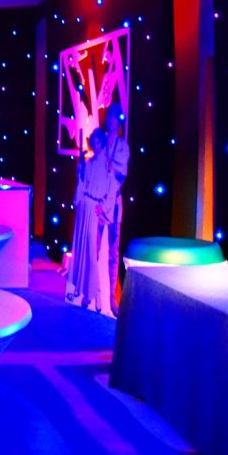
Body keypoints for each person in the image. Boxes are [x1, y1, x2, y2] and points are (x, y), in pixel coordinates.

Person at [65, 128, 115, 315]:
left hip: (94, 209)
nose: (95, 144)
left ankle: (93, 294)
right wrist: (80, 171)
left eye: (98, 141)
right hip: (84, 207)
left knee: (91, 252)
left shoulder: (107, 164)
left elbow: (110, 190)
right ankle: (80, 289)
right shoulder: (89, 162)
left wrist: (104, 209)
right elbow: (82, 184)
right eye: (93, 141)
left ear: (102, 143)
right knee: (80, 249)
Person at [102, 102, 130, 315]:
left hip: (114, 205)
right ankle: (95, 295)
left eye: (115, 116)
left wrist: (110, 167)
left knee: (113, 253)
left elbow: (121, 173)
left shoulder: (122, 146)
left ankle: (111, 298)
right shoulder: (99, 141)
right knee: (95, 250)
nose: (111, 119)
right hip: (97, 204)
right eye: (109, 115)